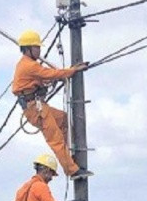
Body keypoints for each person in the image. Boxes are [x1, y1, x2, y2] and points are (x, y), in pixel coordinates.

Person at [13, 29, 93, 179]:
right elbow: (52, 74)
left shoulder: (27, 64)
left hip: (37, 106)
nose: (39, 50)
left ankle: (68, 157)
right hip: (35, 109)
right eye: (37, 48)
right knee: (55, 139)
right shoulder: (29, 66)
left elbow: (41, 78)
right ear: (28, 48)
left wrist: (44, 83)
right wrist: (73, 70)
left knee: (63, 119)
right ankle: (72, 170)